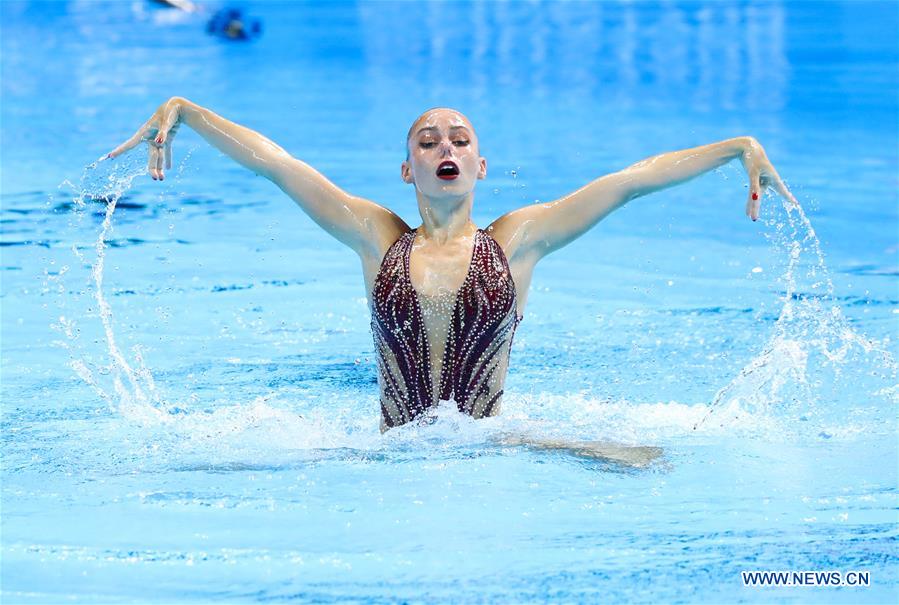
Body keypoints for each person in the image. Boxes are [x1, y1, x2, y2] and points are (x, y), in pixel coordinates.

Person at [107, 98, 796, 462]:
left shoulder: (517, 240)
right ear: (407, 168)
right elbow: (279, 166)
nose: (446, 147)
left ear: (479, 166)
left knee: (647, 458)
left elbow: (628, 182)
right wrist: (187, 112)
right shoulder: (376, 236)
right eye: (429, 140)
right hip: (385, 451)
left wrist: (735, 147)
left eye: (460, 140)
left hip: (493, 445)